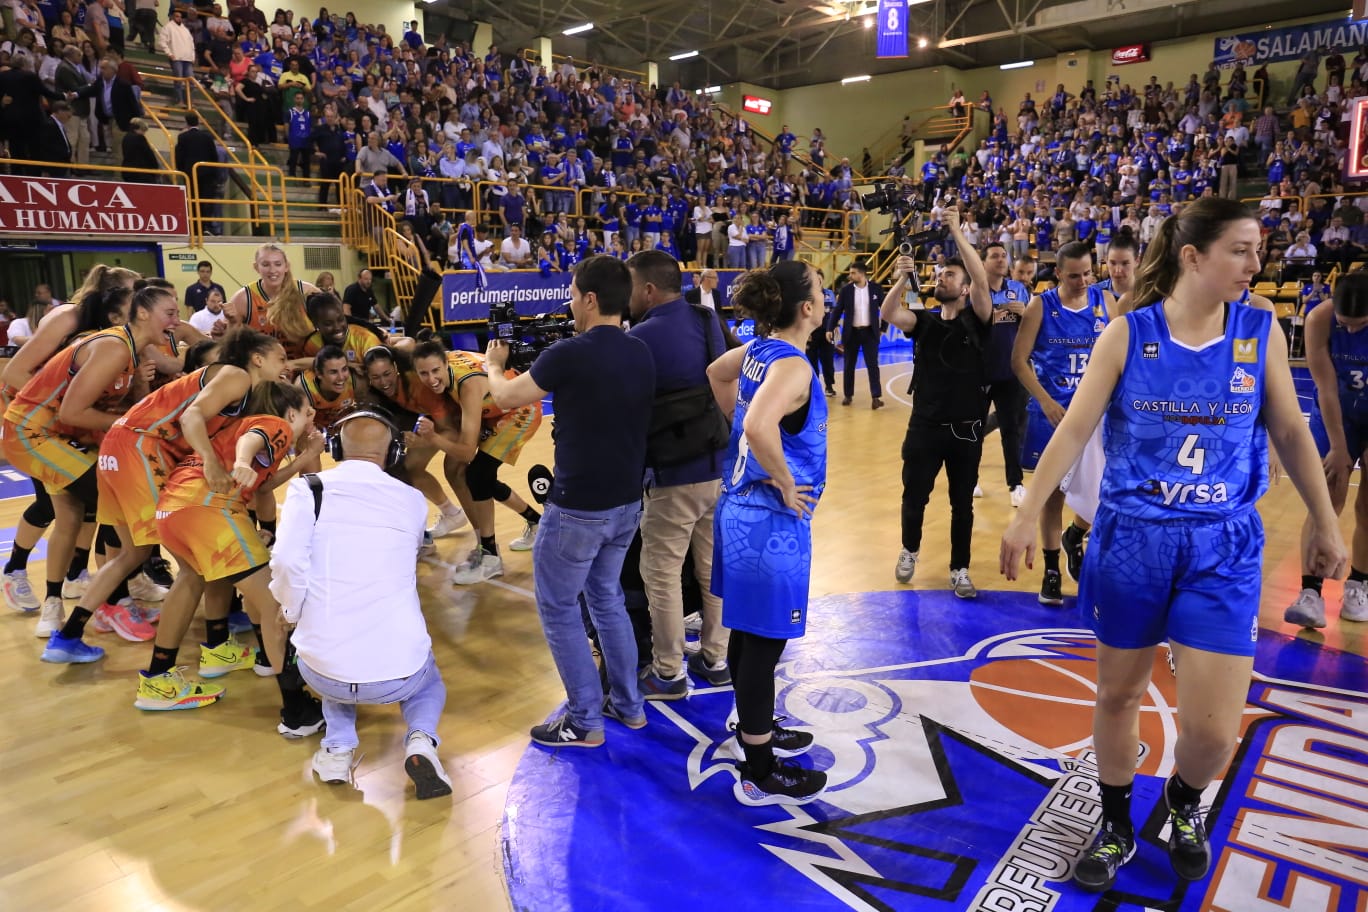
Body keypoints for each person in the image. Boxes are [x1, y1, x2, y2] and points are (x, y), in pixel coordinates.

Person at [1001, 197, 1347, 892]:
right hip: (1133, 542)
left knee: (1215, 732)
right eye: (1243, 250)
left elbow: (1288, 431)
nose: (1258, 264)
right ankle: (1117, 823)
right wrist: (1026, 510)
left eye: (1258, 250)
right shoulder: (1127, 336)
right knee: (1118, 696)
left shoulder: (1261, 332)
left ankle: (1183, 804)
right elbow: (1072, 430)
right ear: (1195, 256)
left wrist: (1329, 521)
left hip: (1222, 545)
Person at [478, 254, 655, 747]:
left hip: (578, 505)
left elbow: (507, 398)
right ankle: (629, 706)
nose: (570, 303)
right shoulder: (641, 351)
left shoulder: (570, 352)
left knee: (558, 608)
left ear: (591, 299)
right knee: (607, 598)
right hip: (625, 503)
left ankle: (584, 720)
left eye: (574, 294)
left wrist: (493, 366)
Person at [272, 407, 452, 799]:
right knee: (428, 680)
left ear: (335, 447)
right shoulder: (412, 500)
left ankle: (338, 747)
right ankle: (421, 740)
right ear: (394, 454)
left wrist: (290, 611)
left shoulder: (308, 489)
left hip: (323, 673)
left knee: (328, 654)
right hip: (398, 673)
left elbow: (285, 561)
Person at [705, 257, 828, 806]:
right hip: (767, 523)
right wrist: (781, 477)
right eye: (822, 290)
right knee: (765, 643)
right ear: (806, 307)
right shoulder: (794, 367)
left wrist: (744, 439)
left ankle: (755, 725)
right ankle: (759, 764)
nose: (826, 298)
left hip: (739, 511)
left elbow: (717, 374)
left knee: (751, 636)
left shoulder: (759, 349)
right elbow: (758, 425)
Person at [6, 285, 179, 660]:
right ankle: (109, 602)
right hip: (32, 432)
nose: (176, 321)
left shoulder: (130, 352)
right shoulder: (114, 346)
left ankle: (95, 603)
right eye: (170, 311)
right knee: (114, 504)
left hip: (60, 435)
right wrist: (128, 423)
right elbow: (71, 413)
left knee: (89, 513)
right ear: (143, 314)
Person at [141, 379, 321, 711]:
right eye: (307, 414)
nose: (310, 421)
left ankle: (159, 679)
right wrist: (241, 461)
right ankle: (296, 708)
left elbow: (263, 487)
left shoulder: (245, 425)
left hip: (173, 509)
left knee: (191, 580)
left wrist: (305, 456)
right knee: (275, 606)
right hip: (209, 511)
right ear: (292, 411)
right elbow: (251, 442)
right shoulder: (275, 424)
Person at [625, 250, 731, 699]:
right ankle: (716, 658)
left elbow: (627, 411)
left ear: (649, 289)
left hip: (672, 473)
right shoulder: (707, 321)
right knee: (712, 571)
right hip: (719, 466)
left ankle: (668, 671)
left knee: (662, 574)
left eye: (631, 285)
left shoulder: (640, 339)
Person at [882, 209, 994, 595]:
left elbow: (980, 276)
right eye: (938, 274)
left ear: (964, 289)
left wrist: (956, 231)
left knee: (962, 505)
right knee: (914, 497)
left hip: (966, 431)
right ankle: (909, 549)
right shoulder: (924, 322)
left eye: (949, 275)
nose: (940, 277)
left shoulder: (978, 320)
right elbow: (888, 312)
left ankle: (959, 569)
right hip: (925, 428)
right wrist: (901, 277)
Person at [1011, 241, 1116, 605]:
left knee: (1103, 491)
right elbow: (1019, 361)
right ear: (1057, 273)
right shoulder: (1041, 306)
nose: (1083, 280)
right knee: (1052, 495)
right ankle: (1051, 569)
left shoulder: (1107, 303)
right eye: (1074, 275)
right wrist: (1043, 399)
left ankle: (1076, 534)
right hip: (1052, 414)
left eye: (1088, 273)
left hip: (1096, 418)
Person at [411, 340, 543, 583]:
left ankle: (491, 558)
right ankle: (536, 522)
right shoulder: (445, 360)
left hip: (520, 410)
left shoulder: (468, 386)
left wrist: (433, 438)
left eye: (435, 371)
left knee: (477, 474)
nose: (431, 379)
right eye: (424, 373)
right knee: (478, 476)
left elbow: (466, 452)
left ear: (445, 363)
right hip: (495, 407)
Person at [1286, 272, 1368, 628]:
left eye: (1359, 325)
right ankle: (1310, 592)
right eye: (1344, 323)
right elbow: (1326, 387)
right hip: (1336, 412)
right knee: (1327, 499)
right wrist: (1338, 446)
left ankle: (1359, 585)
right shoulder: (1320, 318)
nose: (1349, 331)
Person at [980, 240, 1032, 507]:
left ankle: (1015, 484)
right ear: (984, 262)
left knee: (1011, 431)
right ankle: (969, 478)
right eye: (994, 256)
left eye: (1003, 256)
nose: (1001, 260)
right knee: (973, 429)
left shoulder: (1019, 290)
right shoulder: (977, 290)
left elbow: (1031, 327)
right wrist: (994, 314)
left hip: (1010, 371)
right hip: (979, 372)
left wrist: (1024, 314)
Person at [225, 243, 320, 362]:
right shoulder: (243, 298)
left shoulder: (307, 292)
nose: (272, 270)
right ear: (256, 267)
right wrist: (230, 322)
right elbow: (231, 346)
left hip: (305, 368)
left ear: (286, 266)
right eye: (265, 264)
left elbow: (331, 328)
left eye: (278, 264)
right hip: (263, 371)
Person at [826, 262, 885, 409]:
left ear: (861, 274)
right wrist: (830, 328)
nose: (850, 275)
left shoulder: (876, 289)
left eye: (852, 273)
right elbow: (838, 310)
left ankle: (876, 397)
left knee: (873, 365)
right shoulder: (846, 290)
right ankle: (848, 395)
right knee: (848, 365)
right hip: (851, 333)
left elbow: (885, 308)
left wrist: (883, 327)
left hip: (870, 333)